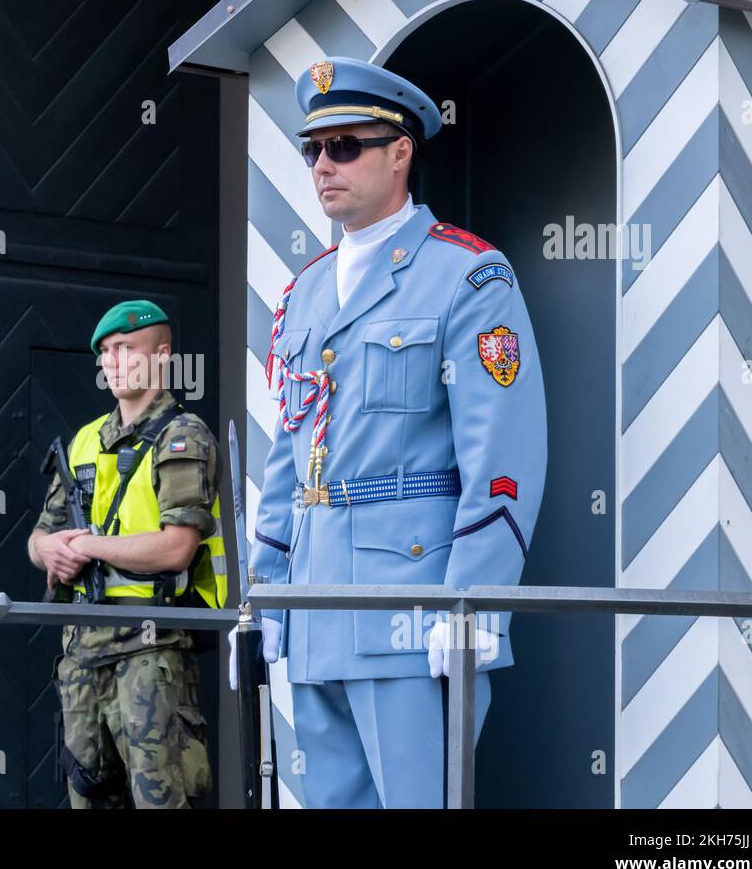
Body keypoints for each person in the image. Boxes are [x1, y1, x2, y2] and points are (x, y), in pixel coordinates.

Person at [231, 56, 547, 808]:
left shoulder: (469, 276)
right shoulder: (304, 291)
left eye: (346, 146)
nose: (323, 166)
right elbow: (290, 459)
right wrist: (267, 595)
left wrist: (471, 602)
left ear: (400, 151)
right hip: (314, 613)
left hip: (411, 606)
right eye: (313, 149)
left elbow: (502, 459)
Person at [28, 299, 227, 808]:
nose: (112, 361)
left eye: (125, 348)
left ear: (161, 355)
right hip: (82, 656)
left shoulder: (184, 436)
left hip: (150, 653)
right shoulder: (84, 441)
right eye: (105, 353)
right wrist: (51, 550)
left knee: (161, 800)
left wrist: (87, 546)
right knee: (87, 798)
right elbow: (39, 538)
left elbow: (177, 546)